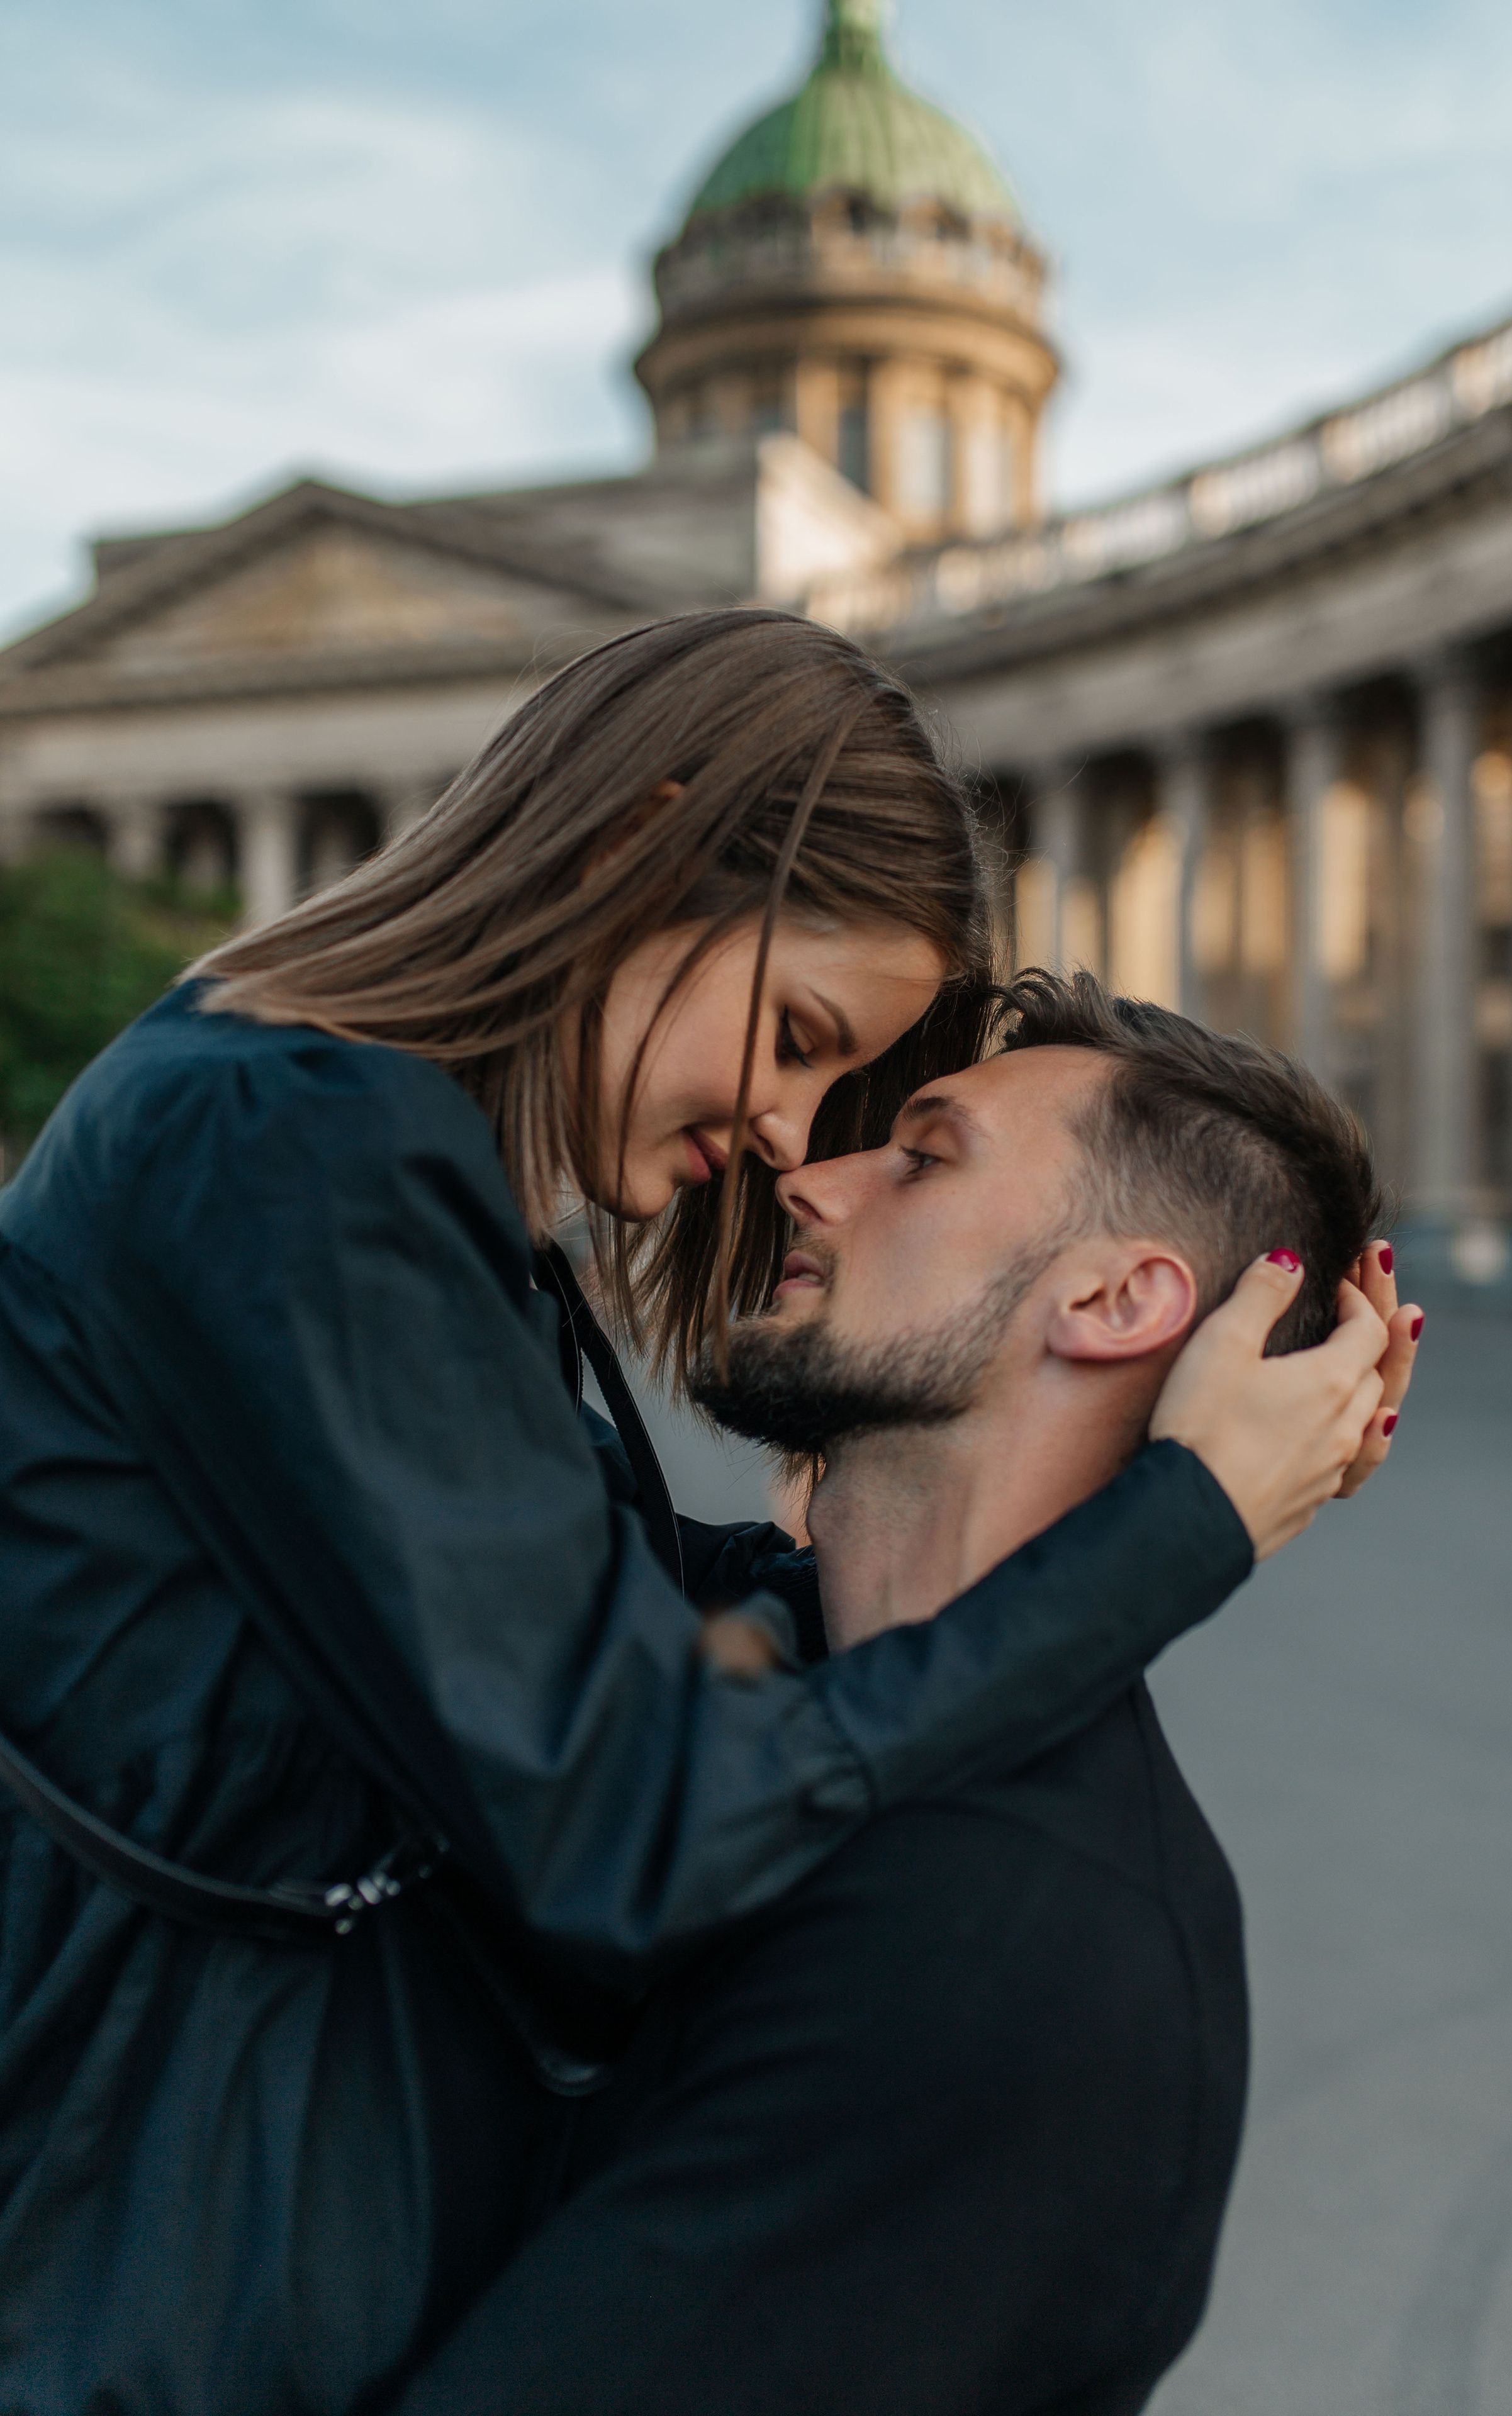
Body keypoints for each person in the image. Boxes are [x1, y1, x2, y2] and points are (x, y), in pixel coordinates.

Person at [0, 612, 1406, 2416]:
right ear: (635, 849)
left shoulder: (346, 1148)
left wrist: (1128, 1490)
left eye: (872, 1109)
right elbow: (632, 1818)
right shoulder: (296, 1146)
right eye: (805, 1036)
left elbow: (575, 1602)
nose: (788, 1135)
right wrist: (1182, 1525)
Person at [389, 970, 1414, 2416]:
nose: (806, 1178)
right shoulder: (748, 1637)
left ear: (1116, 1299)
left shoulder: (1019, 1951)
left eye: (920, 1157)